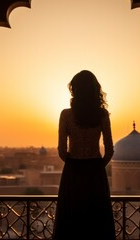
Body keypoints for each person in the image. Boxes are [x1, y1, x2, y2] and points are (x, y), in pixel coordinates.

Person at [52, 70, 116, 240]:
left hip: (73, 172)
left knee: (72, 216)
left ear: (75, 90)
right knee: (95, 218)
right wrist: (96, 166)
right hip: (95, 172)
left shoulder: (66, 115)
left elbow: (61, 151)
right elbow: (109, 150)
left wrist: (74, 162)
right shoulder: (101, 115)